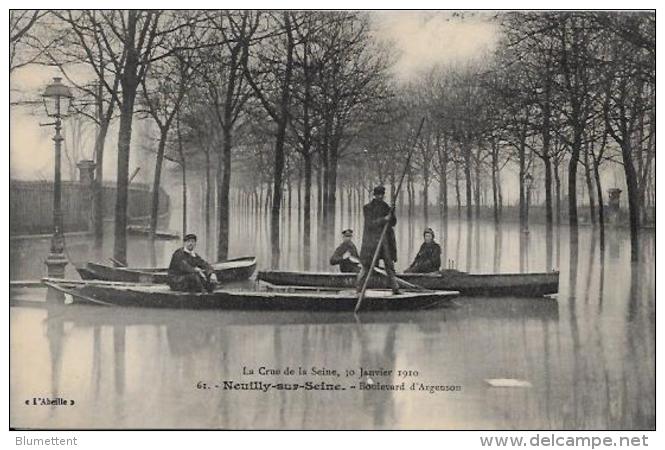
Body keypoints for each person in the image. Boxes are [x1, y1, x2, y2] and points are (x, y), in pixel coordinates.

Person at [357, 185, 400, 294]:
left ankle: (395, 289)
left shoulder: (386, 207)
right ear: (374, 195)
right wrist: (383, 219)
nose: (380, 196)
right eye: (378, 195)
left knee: (389, 266)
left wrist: (392, 212)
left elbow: (393, 223)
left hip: (385, 241)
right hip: (372, 242)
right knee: (366, 266)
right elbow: (370, 224)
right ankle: (359, 290)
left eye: (382, 195)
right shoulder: (367, 208)